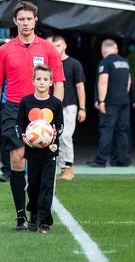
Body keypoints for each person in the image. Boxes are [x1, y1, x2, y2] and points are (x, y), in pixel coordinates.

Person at [0, 1, 64, 228]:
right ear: (15, 21)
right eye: (21, 19)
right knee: (17, 161)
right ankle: (21, 215)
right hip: (13, 108)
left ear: (35, 20)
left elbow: (58, 82)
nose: (25, 22)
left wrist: (54, 111)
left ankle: (36, 212)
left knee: (40, 166)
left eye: (29, 19)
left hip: (43, 112)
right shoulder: (5, 50)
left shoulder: (48, 49)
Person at [15, 65, 64, 234]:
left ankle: (45, 221)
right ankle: (34, 214)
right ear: (33, 81)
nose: (42, 82)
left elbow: (60, 125)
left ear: (51, 82)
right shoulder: (26, 101)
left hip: (50, 151)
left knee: (47, 185)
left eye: (45, 79)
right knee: (33, 186)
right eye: (38, 79)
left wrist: (54, 134)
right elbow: (19, 124)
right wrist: (23, 136)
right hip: (32, 151)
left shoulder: (55, 103)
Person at [88, 38, 133, 168]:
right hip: (124, 101)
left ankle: (101, 160)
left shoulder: (105, 62)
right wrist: (124, 94)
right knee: (122, 130)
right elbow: (129, 82)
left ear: (103, 51)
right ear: (116, 48)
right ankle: (123, 159)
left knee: (106, 130)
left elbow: (103, 81)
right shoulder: (125, 62)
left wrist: (101, 101)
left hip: (110, 102)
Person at [51, 34, 85, 180]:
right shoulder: (49, 64)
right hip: (53, 106)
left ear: (65, 46)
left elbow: (80, 86)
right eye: (54, 46)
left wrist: (82, 108)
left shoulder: (74, 64)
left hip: (70, 105)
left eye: (58, 45)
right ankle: (61, 168)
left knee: (65, 136)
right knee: (54, 137)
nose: (56, 48)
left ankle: (68, 168)